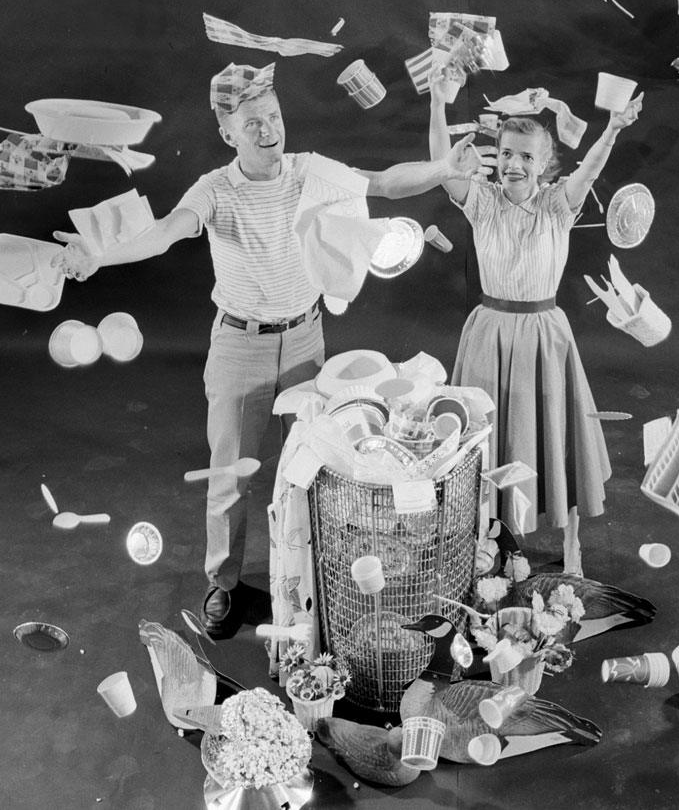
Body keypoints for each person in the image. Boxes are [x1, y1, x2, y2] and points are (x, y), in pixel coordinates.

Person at [54, 62, 487, 638]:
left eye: (274, 116)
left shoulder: (310, 172)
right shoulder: (214, 188)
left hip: (307, 339)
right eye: (251, 121)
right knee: (230, 476)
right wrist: (97, 257)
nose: (268, 130)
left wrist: (442, 169)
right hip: (240, 346)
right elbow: (164, 231)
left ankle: (306, 580)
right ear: (227, 133)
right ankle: (224, 584)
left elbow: (381, 183)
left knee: (311, 467)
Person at [428, 81, 642, 573]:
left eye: (526, 156)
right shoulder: (481, 200)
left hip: (544, 335)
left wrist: (611, 129)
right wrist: (438, 102)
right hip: (489, 333)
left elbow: (588, 171)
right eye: (505, 153)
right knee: (489, 440)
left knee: (555, 435)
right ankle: (493, 541)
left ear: (544, 164)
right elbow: (442, 165)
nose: (513, 164)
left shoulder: (555, 205)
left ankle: (571, 544)